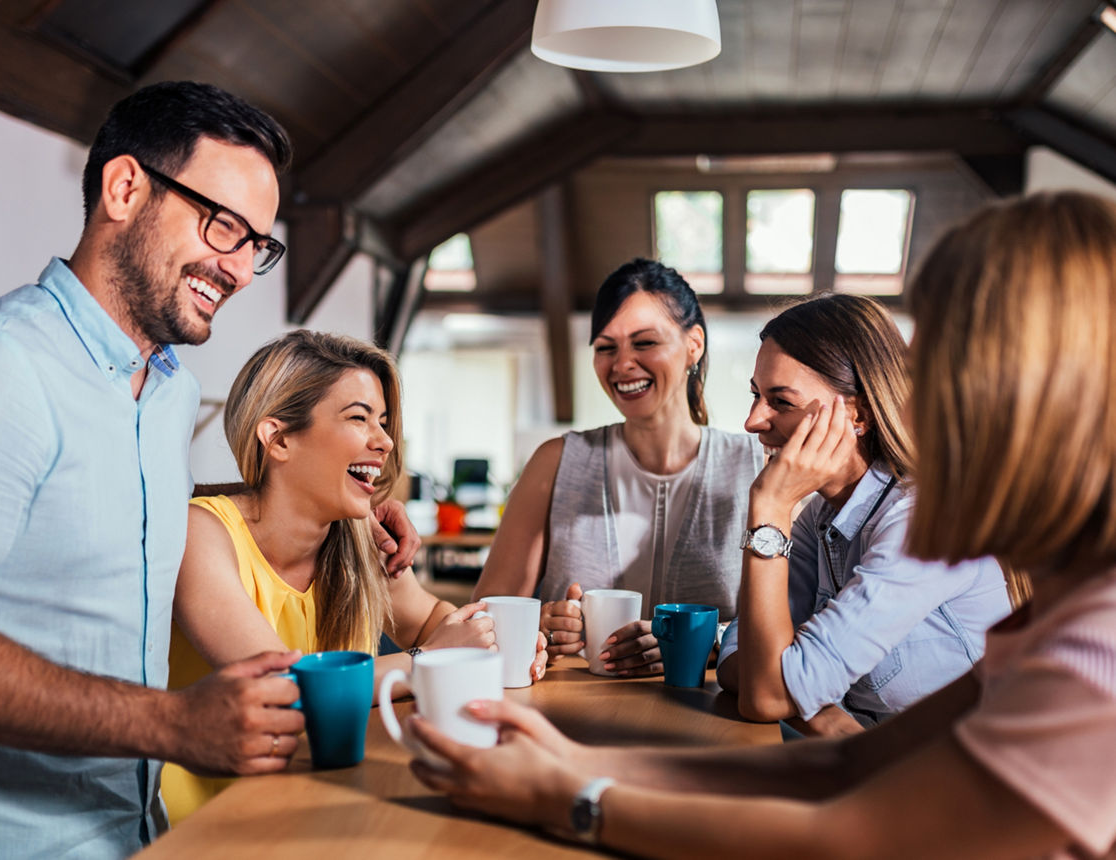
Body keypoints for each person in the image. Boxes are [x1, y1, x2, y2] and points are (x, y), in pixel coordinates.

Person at [408, 191, 1116, 858]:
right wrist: (574, 762)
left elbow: (847, 832)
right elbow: (836, 757)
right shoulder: (1055, 612)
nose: (920, 390)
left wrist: (573, 799)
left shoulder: (1096, 645)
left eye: (941, 364)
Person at [0, 82, 420, 858]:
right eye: (223, 226)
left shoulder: (169, 388)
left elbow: (105, 506)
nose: (242, 269)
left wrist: (326, 499)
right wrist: (171, 724)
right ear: (124, 188)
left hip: (123, 836)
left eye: (258, 244)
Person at [161, 330, 547, 821]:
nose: (384, 441)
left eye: (383, 422)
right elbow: (285, 689)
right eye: (359, 418)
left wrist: (494, 641)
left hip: (322, 804)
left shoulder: (355, 537)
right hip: (213, 828)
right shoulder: (203, 534)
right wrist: (431, 660)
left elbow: (431, 618)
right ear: (278, 438)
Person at [715, 294, 1009, 735]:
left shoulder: (926, 523)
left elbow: (765, 695)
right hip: (887, 764)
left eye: (781, 401)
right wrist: (825, 717)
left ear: (859, 414)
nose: (753, 420)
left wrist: (771, 509)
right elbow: (742, 659)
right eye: (756, 395)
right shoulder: (821, 516)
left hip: (970, 779)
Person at [473, 258, 762, 676]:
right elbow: (482, 617)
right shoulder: (556, 462)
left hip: (710, 724)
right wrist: (538, 626)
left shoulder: (754, 467)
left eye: (644, 343)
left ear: (693, 345)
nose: (622, 364)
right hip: (566, 725)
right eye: (606, 347)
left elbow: (795, 622)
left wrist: (707, 641)